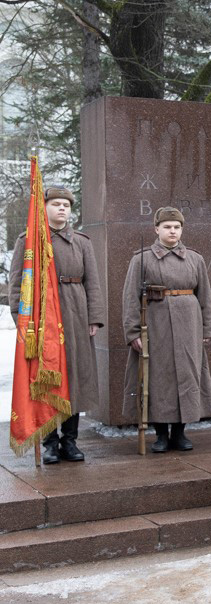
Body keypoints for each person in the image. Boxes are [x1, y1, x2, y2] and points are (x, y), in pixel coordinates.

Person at [8, 186, 105, 464]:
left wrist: (94, 318)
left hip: (75, 314)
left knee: (73, 378)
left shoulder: (82, 242)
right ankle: (50, 442)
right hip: (43, 320)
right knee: (47, 378)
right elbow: (18, 284)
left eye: (66, 205)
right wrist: (21, 319)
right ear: (44, 208)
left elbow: (93, 283)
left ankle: (70, 441)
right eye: (56, 204)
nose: (62, 209)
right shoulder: (29, 240)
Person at [121, 207, 211, 451]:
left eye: (176, 227)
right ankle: (161, 434)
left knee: (187, 374)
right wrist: (132, 332)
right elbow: (130, 298)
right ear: (157, 229)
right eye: (167, 227)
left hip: (189, 325)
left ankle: (180, 432)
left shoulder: (195, 259)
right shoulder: (141, 259)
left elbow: (205, 296)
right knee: (159, 377)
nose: (172, 231)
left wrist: (208, 329)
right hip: (156, 325)